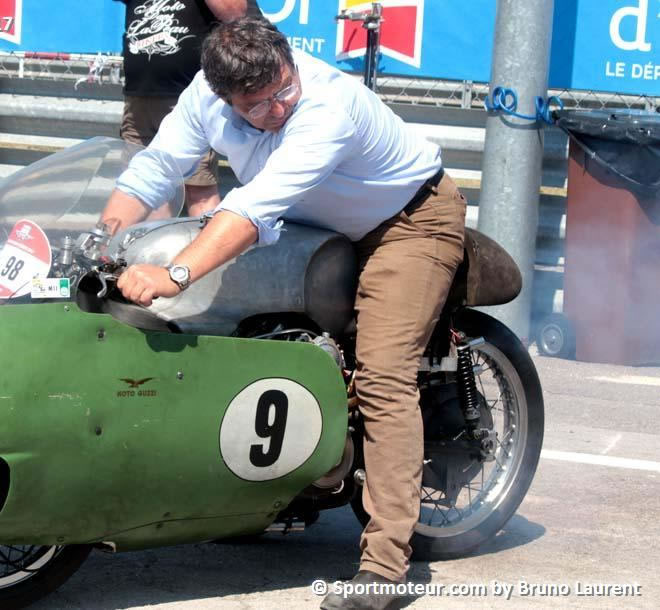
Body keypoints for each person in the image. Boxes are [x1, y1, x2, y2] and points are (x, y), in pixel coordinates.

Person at [102, 16, 466, 610]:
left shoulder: (327, 107)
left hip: (405, 223)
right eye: (257, 105)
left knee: (382, 374)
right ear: (223, 96)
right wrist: (102, 239)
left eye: (284, 90)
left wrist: (174, 274)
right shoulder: (203, 97)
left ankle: (384, 567)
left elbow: (251, 209)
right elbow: (157, 166)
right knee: (227, 334)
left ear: (289, 63)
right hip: (309, 221)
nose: (277, 108)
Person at [115, 0, 260, 216]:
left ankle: (210, 239)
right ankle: (149, 239)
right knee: (142, 187)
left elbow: (235, 12)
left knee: (198, 188)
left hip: (187, 98)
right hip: (140, 97)